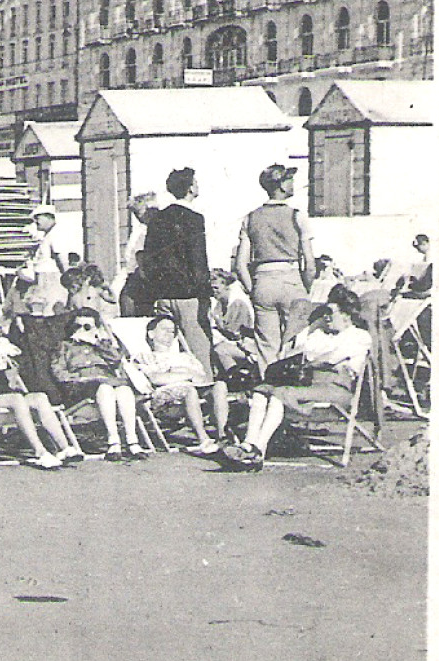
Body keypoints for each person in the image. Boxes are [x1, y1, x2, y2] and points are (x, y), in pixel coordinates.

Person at [225, 285, 372, 471]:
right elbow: (299, 353)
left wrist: (314, 360)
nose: (326, 316)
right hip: (308, 386)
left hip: (336, 390)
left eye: (331, 312)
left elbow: (328, 360)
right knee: (262, 391)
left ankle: (258, 451)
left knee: (280, 393)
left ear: (346, 314)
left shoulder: (359, 336)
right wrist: (315, 340)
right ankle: (248, 444)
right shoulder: (320, 333)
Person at [0, 326, 80, 470]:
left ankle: (65, 448)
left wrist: (8, 364)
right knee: (17, 399)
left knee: (40, 397)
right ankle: (40, 452)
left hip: (4, 392)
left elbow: (11, 377)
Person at [234, 163, 315, 363]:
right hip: (291, 279)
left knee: (266, 347)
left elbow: (240, 265)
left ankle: (265, 391)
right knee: (295, 343)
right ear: (281, 186)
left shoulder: (250, 217)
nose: (293, 183)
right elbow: (310, 264)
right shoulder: (297, 216)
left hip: (263, 281)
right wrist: (305, 287)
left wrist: (253, 289)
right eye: (289, 179)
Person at [51, 307, 150, 461]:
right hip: (80, 388)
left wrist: (98, 344)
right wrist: (82, 378)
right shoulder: (64, 346)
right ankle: (113, 441)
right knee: (105, 388)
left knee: (123, 389)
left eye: (87, 326)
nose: (82, 330)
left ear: (96, 328)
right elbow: (59, 373)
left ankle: (132, 441)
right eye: (78, 326)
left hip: (109, 385)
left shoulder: (103, 345)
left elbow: (117, 360)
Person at [141, 168, 212, 370]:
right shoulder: (194, 218)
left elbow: (149, 257)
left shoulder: (157, 219)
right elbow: (198, 259)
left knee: (168, 348)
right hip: (189, 295)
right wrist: (205, 292)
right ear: (190, 188)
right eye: (195, 182)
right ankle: (203, 387)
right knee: (198, 346)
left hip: (163, 293)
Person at [136, 315, 225, 454]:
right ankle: (203, 439)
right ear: (151, 334)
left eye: (172, 331)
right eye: (165, 329)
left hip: (193, 388)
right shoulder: (145, 356)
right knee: (189, 390)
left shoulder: (185, 356)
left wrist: (178, 373)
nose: (169, 334)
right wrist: (187, 374)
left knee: (219, 385)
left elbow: (202, 378)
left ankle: (222, 435)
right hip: (165, 397)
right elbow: (155, 378)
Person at [11, 204, 67, 317]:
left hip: (50, 278)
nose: (36, 221)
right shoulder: (47, 235)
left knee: (49, 307)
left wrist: (67, 276)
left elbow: (60, 257)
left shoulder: (56, 234)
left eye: (38, 217)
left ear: (48, 217)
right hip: (42, 276)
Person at [114, 192, 160, 317]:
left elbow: (141, 257)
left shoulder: (150, 231)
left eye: (139, 213)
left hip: (145, 279)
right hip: (138, 279)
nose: (140, 217)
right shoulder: (142, 231)